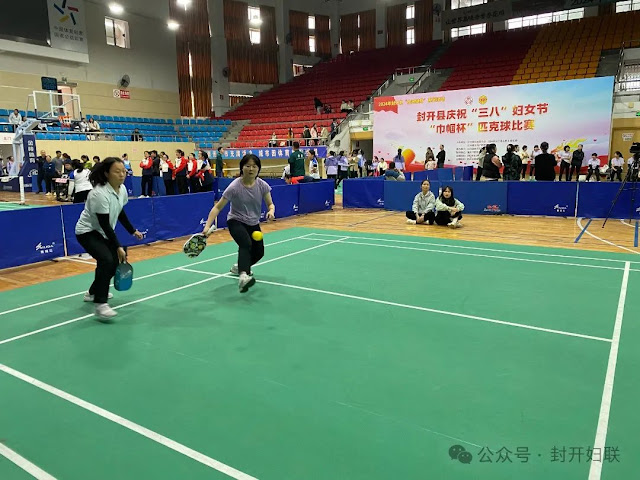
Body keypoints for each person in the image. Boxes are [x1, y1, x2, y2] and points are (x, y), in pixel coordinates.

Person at [75, 157, 144, 320]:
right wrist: (118, 246)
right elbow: (105, 224)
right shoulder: (99, 193)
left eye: (124, 171)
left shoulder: (122, 190)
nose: (122, 175)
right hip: (87, 232)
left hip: (103, 232)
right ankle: (100, 304)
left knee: (113, 264)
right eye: (117, 171)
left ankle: (92, 293)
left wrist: (132, 230)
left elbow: (120, 211)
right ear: (106, 173)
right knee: (107, 260)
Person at [202, 154, 275, 293]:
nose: (251, 169)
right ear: (242, 168)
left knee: (259, 252)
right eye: (247, 166)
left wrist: (271, 211)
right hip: (236, 220)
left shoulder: (262, 185)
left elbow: (270, 204)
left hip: (253, 223)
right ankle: (243, 276)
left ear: (258, 169)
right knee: (246, 244)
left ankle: (238, 267)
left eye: (254, 166)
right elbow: (217, 207)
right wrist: (207, 226)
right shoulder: (235, 186)